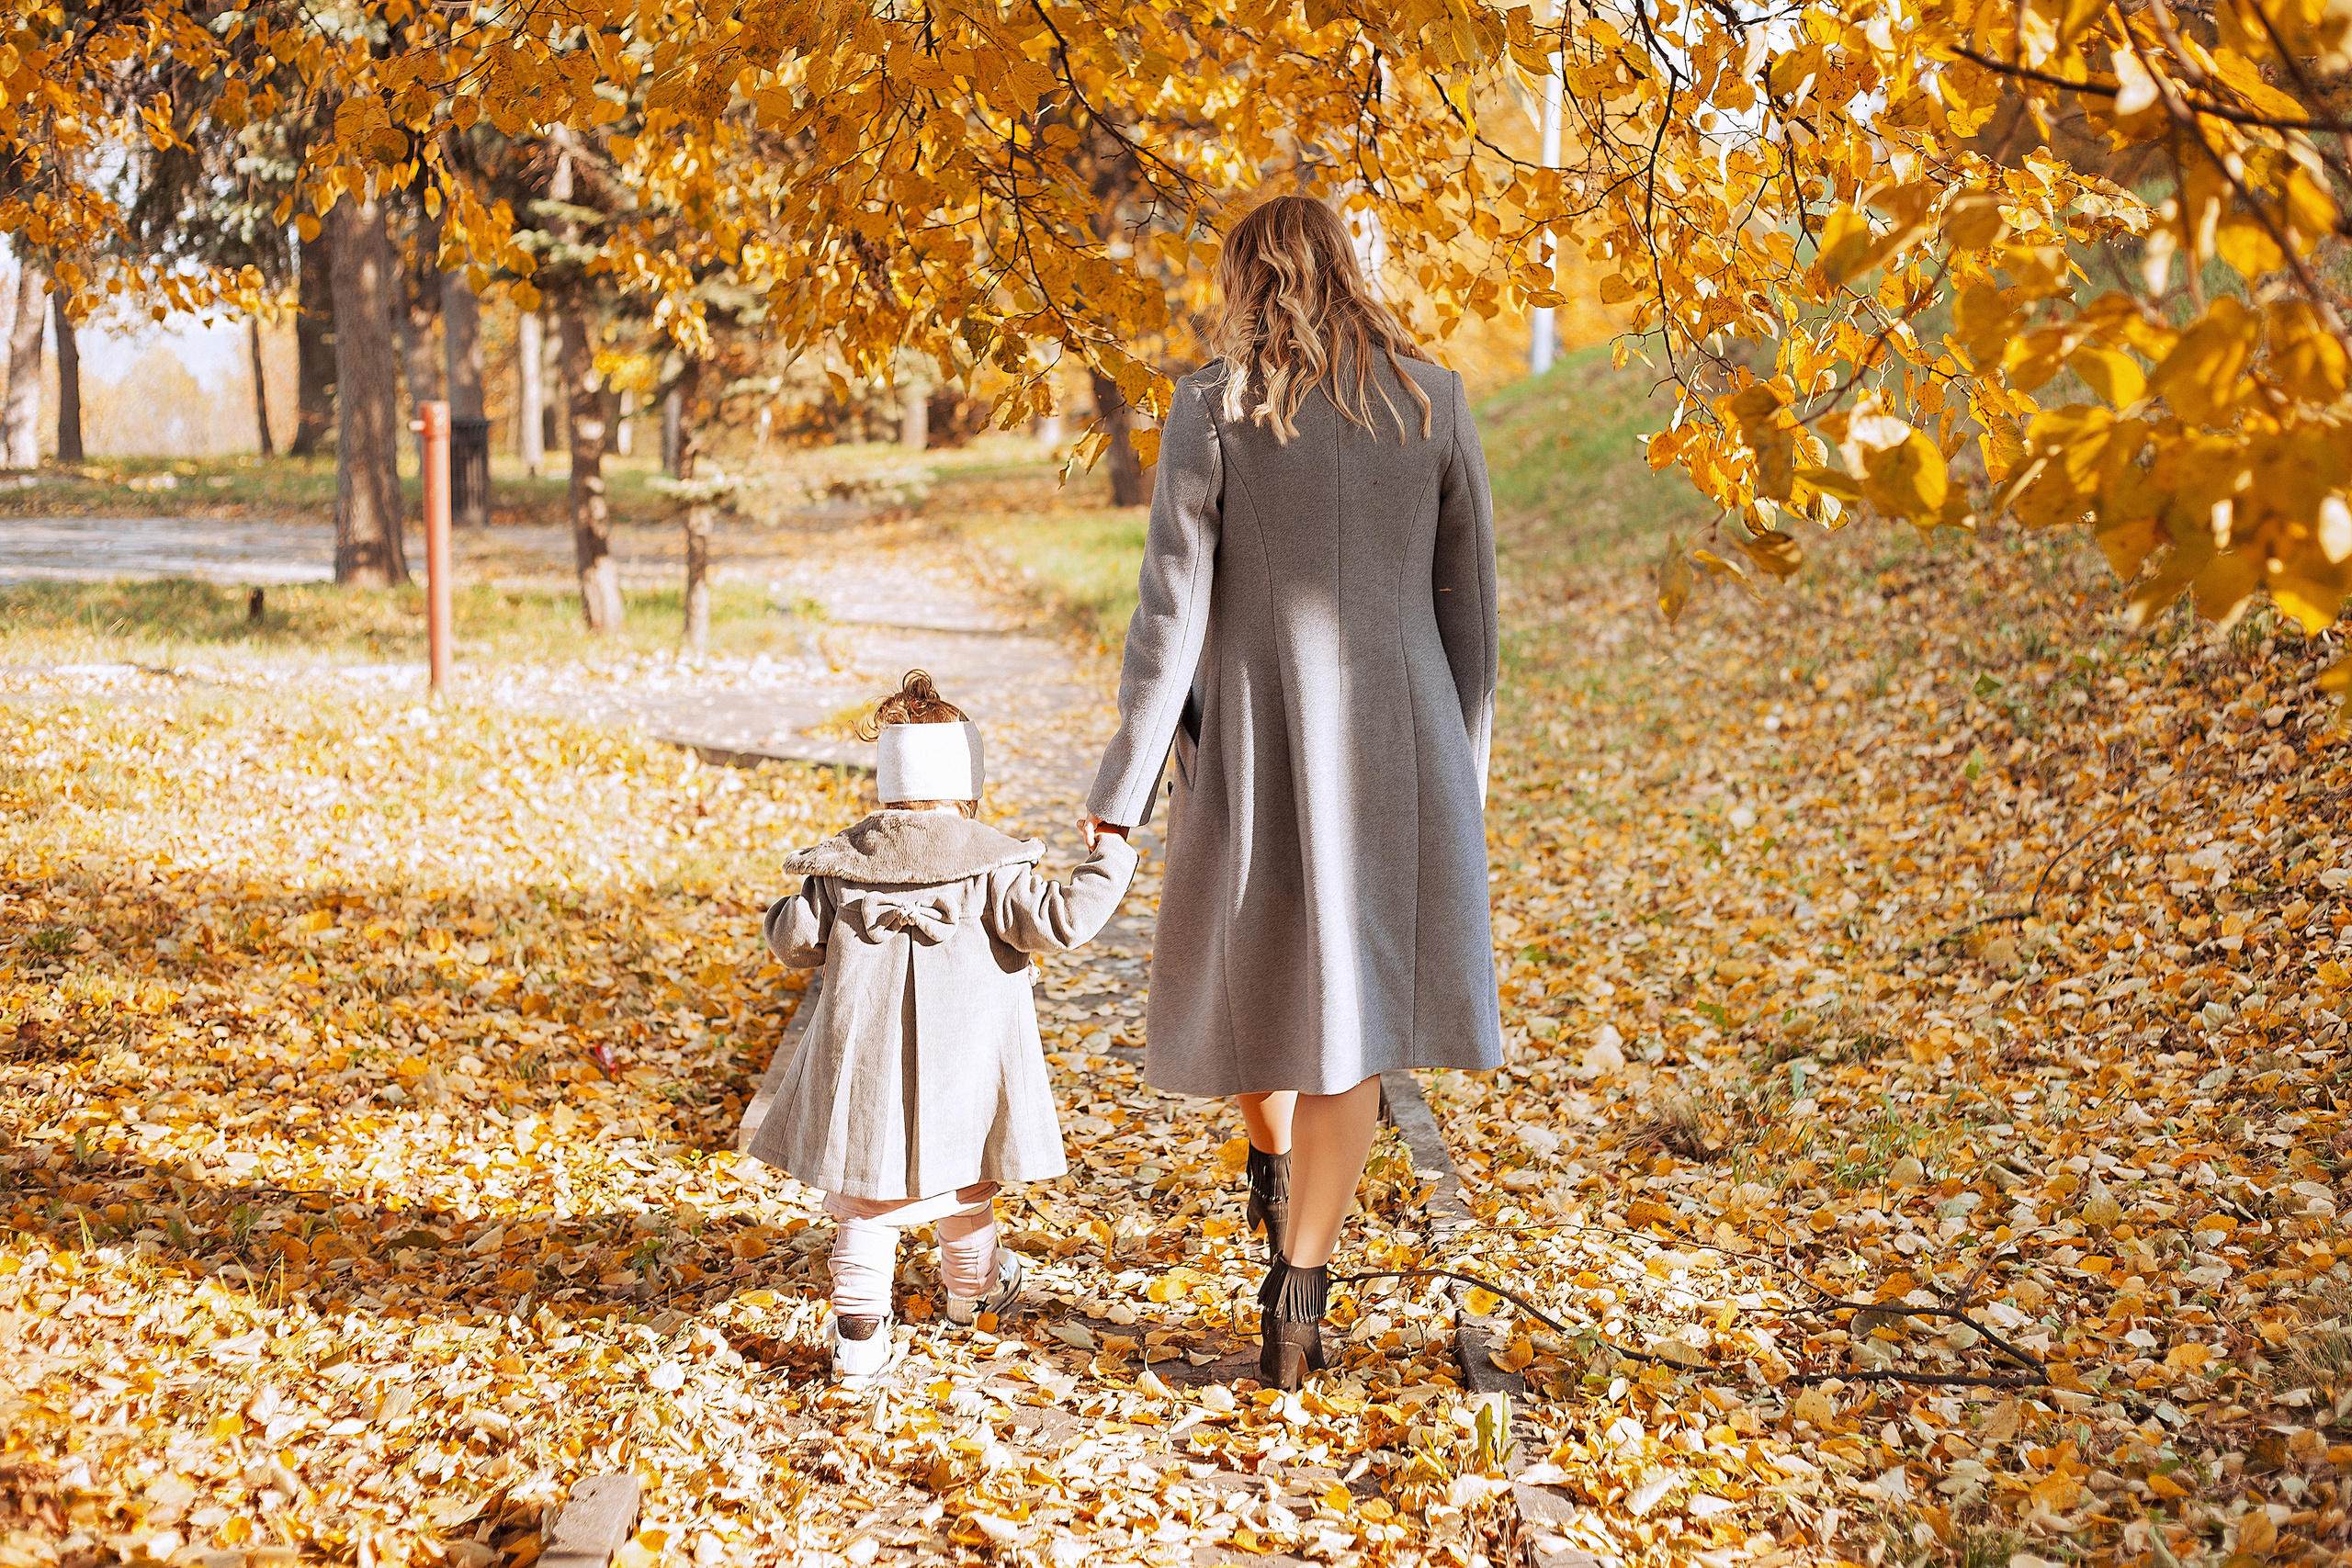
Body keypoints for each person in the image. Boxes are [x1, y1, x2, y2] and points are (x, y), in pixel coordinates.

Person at [1082, 195, 1503, 1390]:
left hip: (1258, 751)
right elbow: (1471, 622)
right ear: (1349, 272)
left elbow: (1169, 623)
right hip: (1399, 754)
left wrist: (1118, 789)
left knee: (1265, 983)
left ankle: (1277, 1190)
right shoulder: (1434, 401)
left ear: (1247, 284)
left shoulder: (1214, 410)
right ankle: (1299, 1289)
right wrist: (1455, 787)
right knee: (1348, 1027)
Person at [752, 670, 1137, 1382]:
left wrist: (788, 911)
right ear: (966, 781)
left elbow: (792, 939)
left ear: (887, 783)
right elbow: (1066, 919)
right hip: (965, 1075)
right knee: (966, 1190)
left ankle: (860, 1337)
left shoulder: (843, 867)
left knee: (865, 1204)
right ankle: (972, 1293)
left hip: (863, 1074)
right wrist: (1110, 850)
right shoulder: (992, 865)